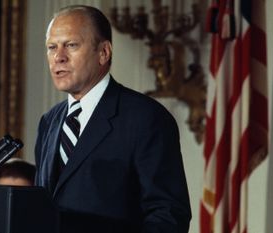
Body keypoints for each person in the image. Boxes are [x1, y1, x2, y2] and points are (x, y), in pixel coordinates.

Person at [34, 5, 191, 233]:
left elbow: (168, 216)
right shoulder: (49, 121)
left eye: (71, 45)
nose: (59, 57)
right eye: (51, 47)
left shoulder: (146, 118)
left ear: (104, 52)